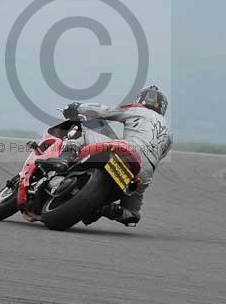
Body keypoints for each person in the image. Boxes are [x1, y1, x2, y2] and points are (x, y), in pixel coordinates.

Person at [43, 85, 172, 226]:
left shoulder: (137, 109)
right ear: (163, 107)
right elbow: (159, 157)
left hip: (125, 152)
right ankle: (107, 209)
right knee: (132, 213)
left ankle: (65, 158)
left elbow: (105, 111)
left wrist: (76, 107)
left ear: (141, 99)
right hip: (143, 174)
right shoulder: (169, 135)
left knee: (82, 130)